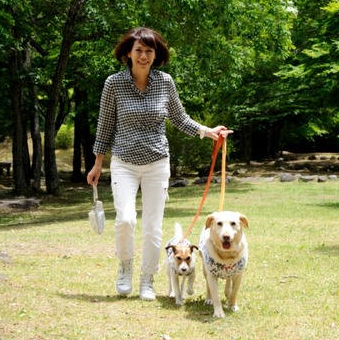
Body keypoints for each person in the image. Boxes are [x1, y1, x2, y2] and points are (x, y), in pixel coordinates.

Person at [86, 27, 232, 301]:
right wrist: (97, 163)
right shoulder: (113, 84)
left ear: (156, 55)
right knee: (126, 220)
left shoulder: (165, 82)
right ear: (128, 53)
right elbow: (105, 125)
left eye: (149, 51)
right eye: (138, 50)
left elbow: (179, 118)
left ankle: (147, 280)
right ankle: (125, 268)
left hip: (157, 163)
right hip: (124, 163)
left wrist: (207, 131)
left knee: (153, 226)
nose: (143, 56)